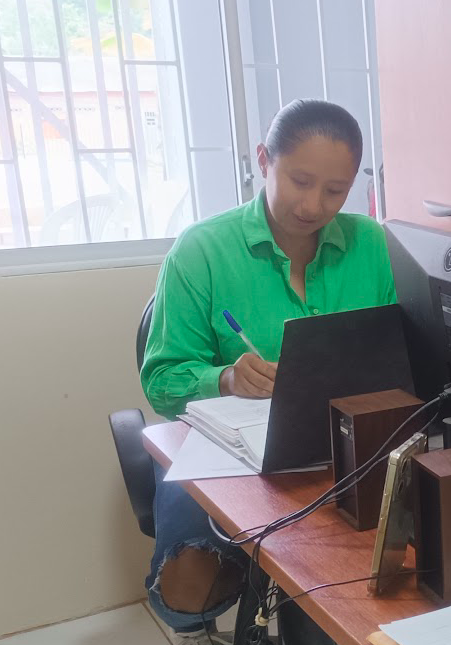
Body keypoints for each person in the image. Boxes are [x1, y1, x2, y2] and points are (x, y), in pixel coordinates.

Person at [140, 99, 395, 643]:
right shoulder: (203, 249)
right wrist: (226, 379)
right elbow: (161, 381)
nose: (313, 205)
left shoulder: (368, 242)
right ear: (263, 160)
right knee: (190, 587)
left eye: (336, 190)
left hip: (337, 444)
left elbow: (395, 352)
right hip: (226, 454)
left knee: (363, 573)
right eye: (300, 181)